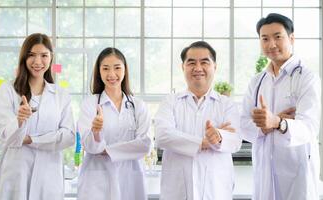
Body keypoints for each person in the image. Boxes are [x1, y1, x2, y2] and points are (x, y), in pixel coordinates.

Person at [240, 13, 321, 200]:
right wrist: (267, 126)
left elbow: (309, 127)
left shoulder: (306, 78)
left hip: (297, 170)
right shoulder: (257, 81)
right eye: (265, 38)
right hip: (264, 171)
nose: (272, 44)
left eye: (278, 37)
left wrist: (277, 122)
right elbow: (243, 124)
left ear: (291, 38)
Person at [154, 41, 242, 200]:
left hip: (216, 191)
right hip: (177, 191)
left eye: (204, 62)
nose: (198, 68)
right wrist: (204, 142)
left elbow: (235, 140)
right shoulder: (170, 102)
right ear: (183, 67)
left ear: (215, 66)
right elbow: (162, 136)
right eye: (191, 62)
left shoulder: (226, 104)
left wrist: (219, 137)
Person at [0, 33, 75, 200]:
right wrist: (19, 120)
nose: (38, 62)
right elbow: (5, 136)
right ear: (24, 57)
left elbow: (68, 137)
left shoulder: (61, 95)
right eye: (31, 55)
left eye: (44, 56)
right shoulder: (8, 90)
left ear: (51, 58)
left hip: (49, 175)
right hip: (16, 173)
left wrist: (31, 139)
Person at [77, 47, 151, 200]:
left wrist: (106, 150)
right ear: (99, 72)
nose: (111, 74)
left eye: (117, 67)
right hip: (97, 182)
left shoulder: (138, 105)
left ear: (125, 70)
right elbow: (89, 146)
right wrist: (95, 133)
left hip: (130, 179)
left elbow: (145, 145)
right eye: (105, 68)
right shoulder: (90, 104)